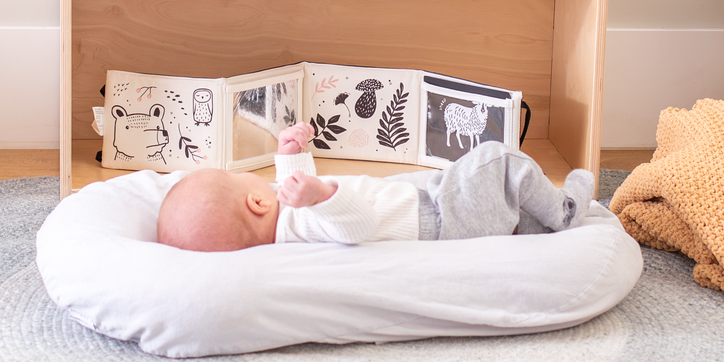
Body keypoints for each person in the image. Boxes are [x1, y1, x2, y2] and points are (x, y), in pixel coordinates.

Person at [155, 122, 596, 251]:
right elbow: (354, 225)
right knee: (498, 159)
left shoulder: (284, 220)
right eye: (237, 179)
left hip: (435, 205)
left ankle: (534, 224)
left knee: (508, 205)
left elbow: (293, 188)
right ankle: (565, 212)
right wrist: (321, 196)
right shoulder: (304, 224)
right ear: (255, 201)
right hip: (443, 219)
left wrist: (290, 151)